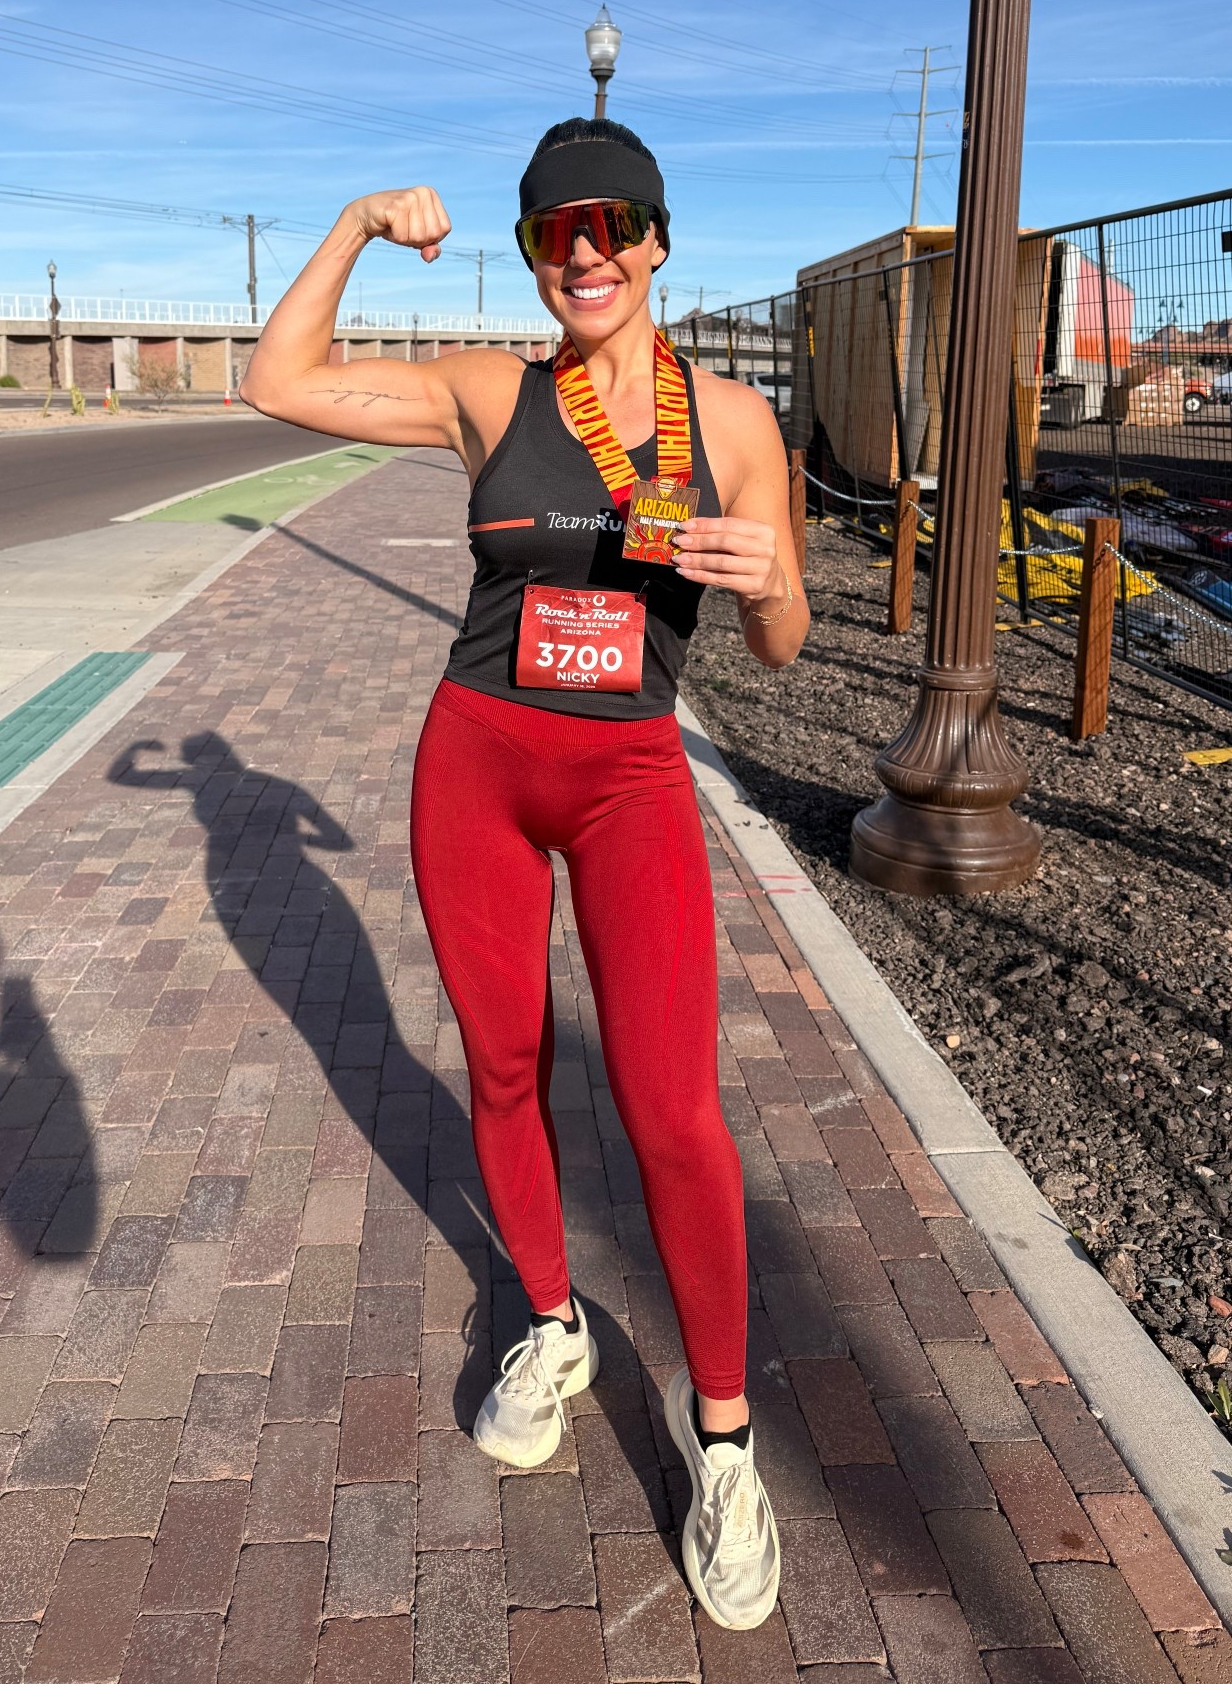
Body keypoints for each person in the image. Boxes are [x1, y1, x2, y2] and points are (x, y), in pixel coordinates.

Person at [239, 117, 808, 1631]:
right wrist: (357, 219)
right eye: (558, 232)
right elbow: (273, 381)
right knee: (502, 1061)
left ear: (660, 242)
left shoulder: (738, 423)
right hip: (477, 761)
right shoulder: (493, 393)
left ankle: (727, 1441)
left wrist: (770, 587)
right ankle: (552, 1323)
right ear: (536, 257)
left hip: (628, 774)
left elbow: (786, 636)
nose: (587, 253)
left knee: (670, 1103)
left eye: (613, 226)